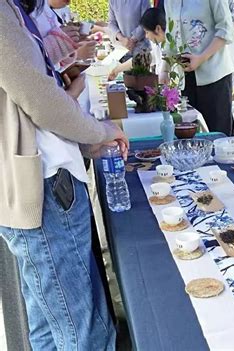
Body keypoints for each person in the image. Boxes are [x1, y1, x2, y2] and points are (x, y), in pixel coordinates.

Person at [0, 0, 129, 349]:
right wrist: (99, 132)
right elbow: (42, 101)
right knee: (84, 330)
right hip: (43, 184)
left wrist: (89, 139)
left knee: (49, 322)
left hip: (32, 182)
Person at [162, 0, 234, 135]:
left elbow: (226, 29)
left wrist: (201, 57)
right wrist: (164, 70)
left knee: (218, 135)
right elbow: (170, 35)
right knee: (191, 135)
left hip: (215, 75)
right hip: (186, 76)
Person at [108, 7, 166, 81]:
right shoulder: (157, 44)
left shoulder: (173, 47)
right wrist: (117, 69)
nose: (146, 36)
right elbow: (141, 60)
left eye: (147, 32)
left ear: (158, 29)